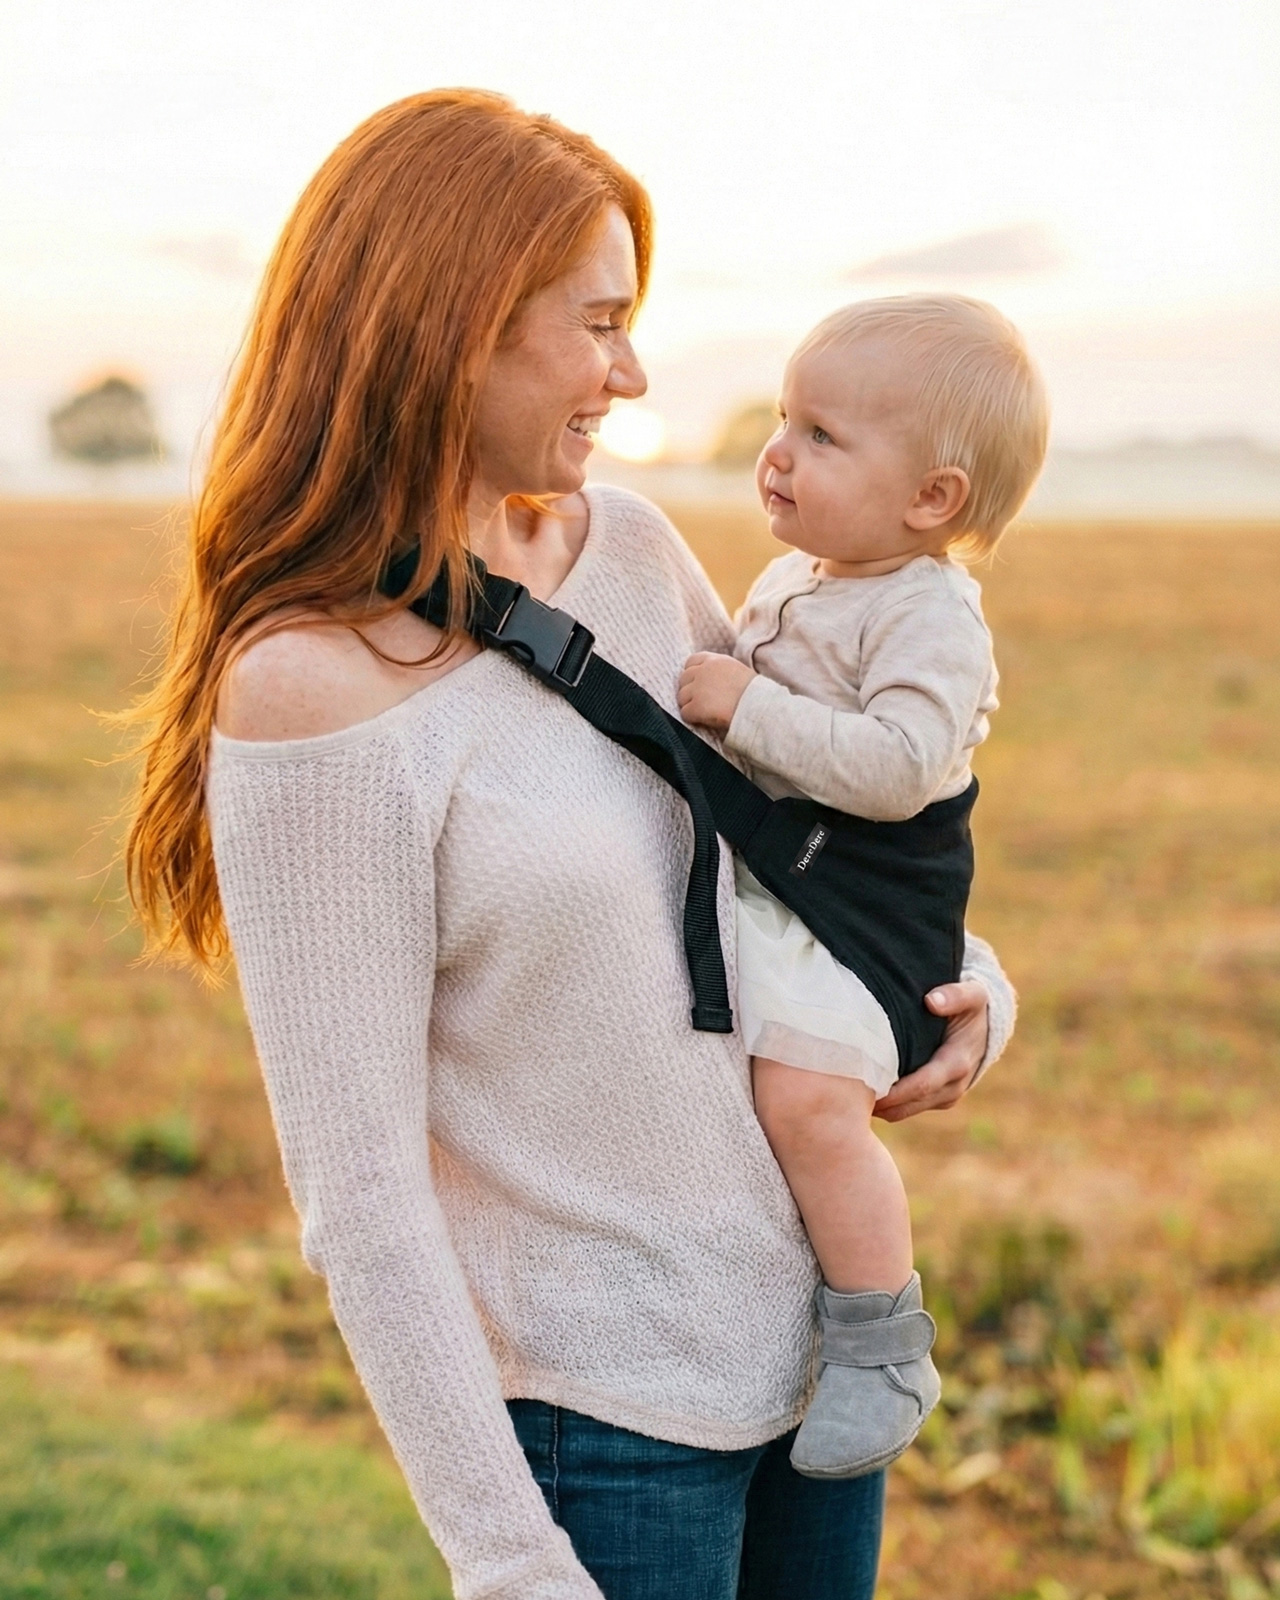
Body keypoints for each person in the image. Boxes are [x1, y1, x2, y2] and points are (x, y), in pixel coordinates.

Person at [123, 91, 1017, 1600]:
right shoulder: (305, 696)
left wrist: (964, 977)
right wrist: (507, 1559)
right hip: (599, 1438)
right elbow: (358, 1196)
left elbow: (801, 839)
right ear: (452, 325)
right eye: (599, 323)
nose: (634, 371)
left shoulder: (639, 553)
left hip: (807, 1378)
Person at [677, 296, 1048, 1482]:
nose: (776, 450)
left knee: (806, 1100)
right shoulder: (807, 574)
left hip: (851, 920)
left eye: (822, 435)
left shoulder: (927, 615)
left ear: (930, 499)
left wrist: (744, 705)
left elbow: (896, 771)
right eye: (785, 418)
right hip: (793, 900)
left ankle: (881, 1339)